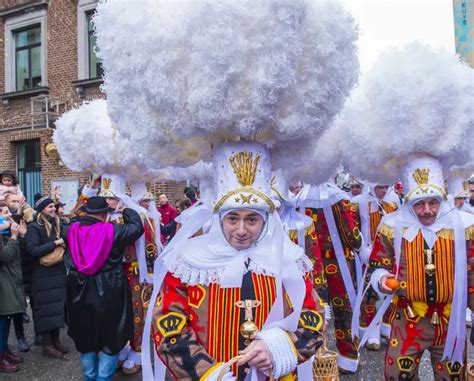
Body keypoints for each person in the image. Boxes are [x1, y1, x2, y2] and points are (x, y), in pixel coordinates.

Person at [147, 143, 325, 380]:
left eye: (251, 219)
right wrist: (209, 373)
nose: (241, 230)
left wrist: (280, 348)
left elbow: (313, 318)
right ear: (220, 219)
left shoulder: (290, 260)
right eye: (233, 219)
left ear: (266, 221)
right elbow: (168, 325)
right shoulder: (189, 264)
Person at [366, 157, 474, 379]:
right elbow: (377, 264)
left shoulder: (463, 227)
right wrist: (382, 279)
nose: (426, 210)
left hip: (450, 320)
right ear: (408, 202)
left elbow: (472, 273)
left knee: (454, 376)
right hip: (407, 317)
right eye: (419, 203)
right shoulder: (391, 226)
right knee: (396, 374)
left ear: (442, 199)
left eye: (433, 202)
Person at [65, 196, 144, 381]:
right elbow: (137, 227)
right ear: (103, 214)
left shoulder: (69, 230)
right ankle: (103, 377)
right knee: (112, 333)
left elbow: (72, 220)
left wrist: (82, 216)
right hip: (109, 288)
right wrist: (125, 209)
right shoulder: (113, 231)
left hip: (79, 289)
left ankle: (90, 376)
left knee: (85, 333)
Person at [297, 182, 362, 373]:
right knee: (343, 307)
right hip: (337, 260)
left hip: (309, 261)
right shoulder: (336, 197)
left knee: (314, 309)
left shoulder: (299, 197)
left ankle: (313, 359)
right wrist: (359, 245)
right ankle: (347, 357)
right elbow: (350, 232)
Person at [352, 182, 398, 350]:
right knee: (369, 293)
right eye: (380, 187)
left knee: (389, 290)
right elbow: (353, 229)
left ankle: (387, 326)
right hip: (368, 253)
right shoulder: (358, 202)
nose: (384, 190)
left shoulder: (393, 201)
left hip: (389, 253)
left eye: (386, 187)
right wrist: (362, 249)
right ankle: (371, 330)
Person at [26, 196, 68, 359]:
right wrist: (56, 244)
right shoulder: (34, 227)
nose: (53, 209)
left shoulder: (57, 224)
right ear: (42, 208)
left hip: (57, 272)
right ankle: (47, 345)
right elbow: (33, 250)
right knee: (45, 311)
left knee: (57, 309)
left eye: (54, 206)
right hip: (43, 274)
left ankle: (56, 341)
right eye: (50, 206)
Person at [0, 211, 27, 373]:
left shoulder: (5, 233)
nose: (9, 215)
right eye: (4, 212)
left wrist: (21, 236)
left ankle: (4, 350)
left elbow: (18, 255)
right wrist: (14, 237)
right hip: (3, 282)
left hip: (10, 279)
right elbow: (4, 256)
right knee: (2, 320)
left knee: (7, 317)